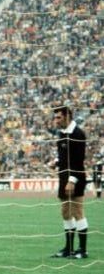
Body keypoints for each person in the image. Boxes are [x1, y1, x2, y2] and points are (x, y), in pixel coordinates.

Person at [49, 106, 88, 259]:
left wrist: (72, 180)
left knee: (77, 211)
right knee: (65, 212)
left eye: (58, 117)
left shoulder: (78, 133)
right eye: (55, 117)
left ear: (67, 116)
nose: (56, 120)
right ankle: (69, 248)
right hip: (63, 177)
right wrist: (56, 162)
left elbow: (79, 160)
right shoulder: (61, 134)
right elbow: (64, 155)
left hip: (76, 178)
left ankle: (82, 250)